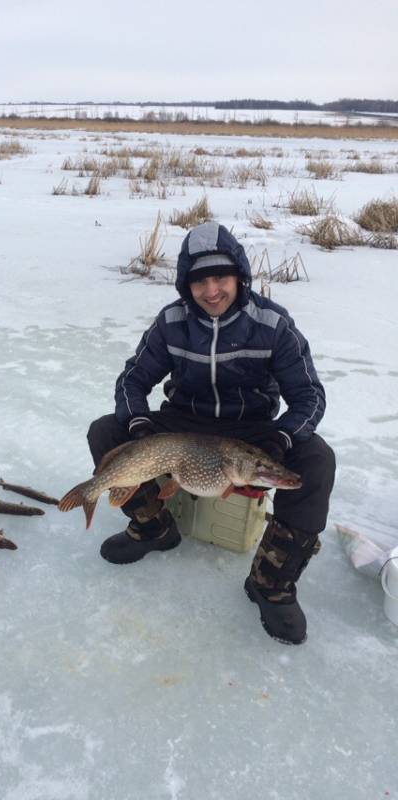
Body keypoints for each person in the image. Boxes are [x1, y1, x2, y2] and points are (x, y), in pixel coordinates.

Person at [87, 222, 335, 645]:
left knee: (317, 461)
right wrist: (139, 425)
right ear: (187, 285)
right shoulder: (172, 322)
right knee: (106, 432)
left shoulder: (272, 324)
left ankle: (270, 582)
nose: (212, 291)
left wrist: (281, 439)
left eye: (220, 277)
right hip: (184, 420)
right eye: (199, 281)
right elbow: (132, 380)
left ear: (240, 275)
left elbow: (308, 396)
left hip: (251, 427)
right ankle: (153, 527)